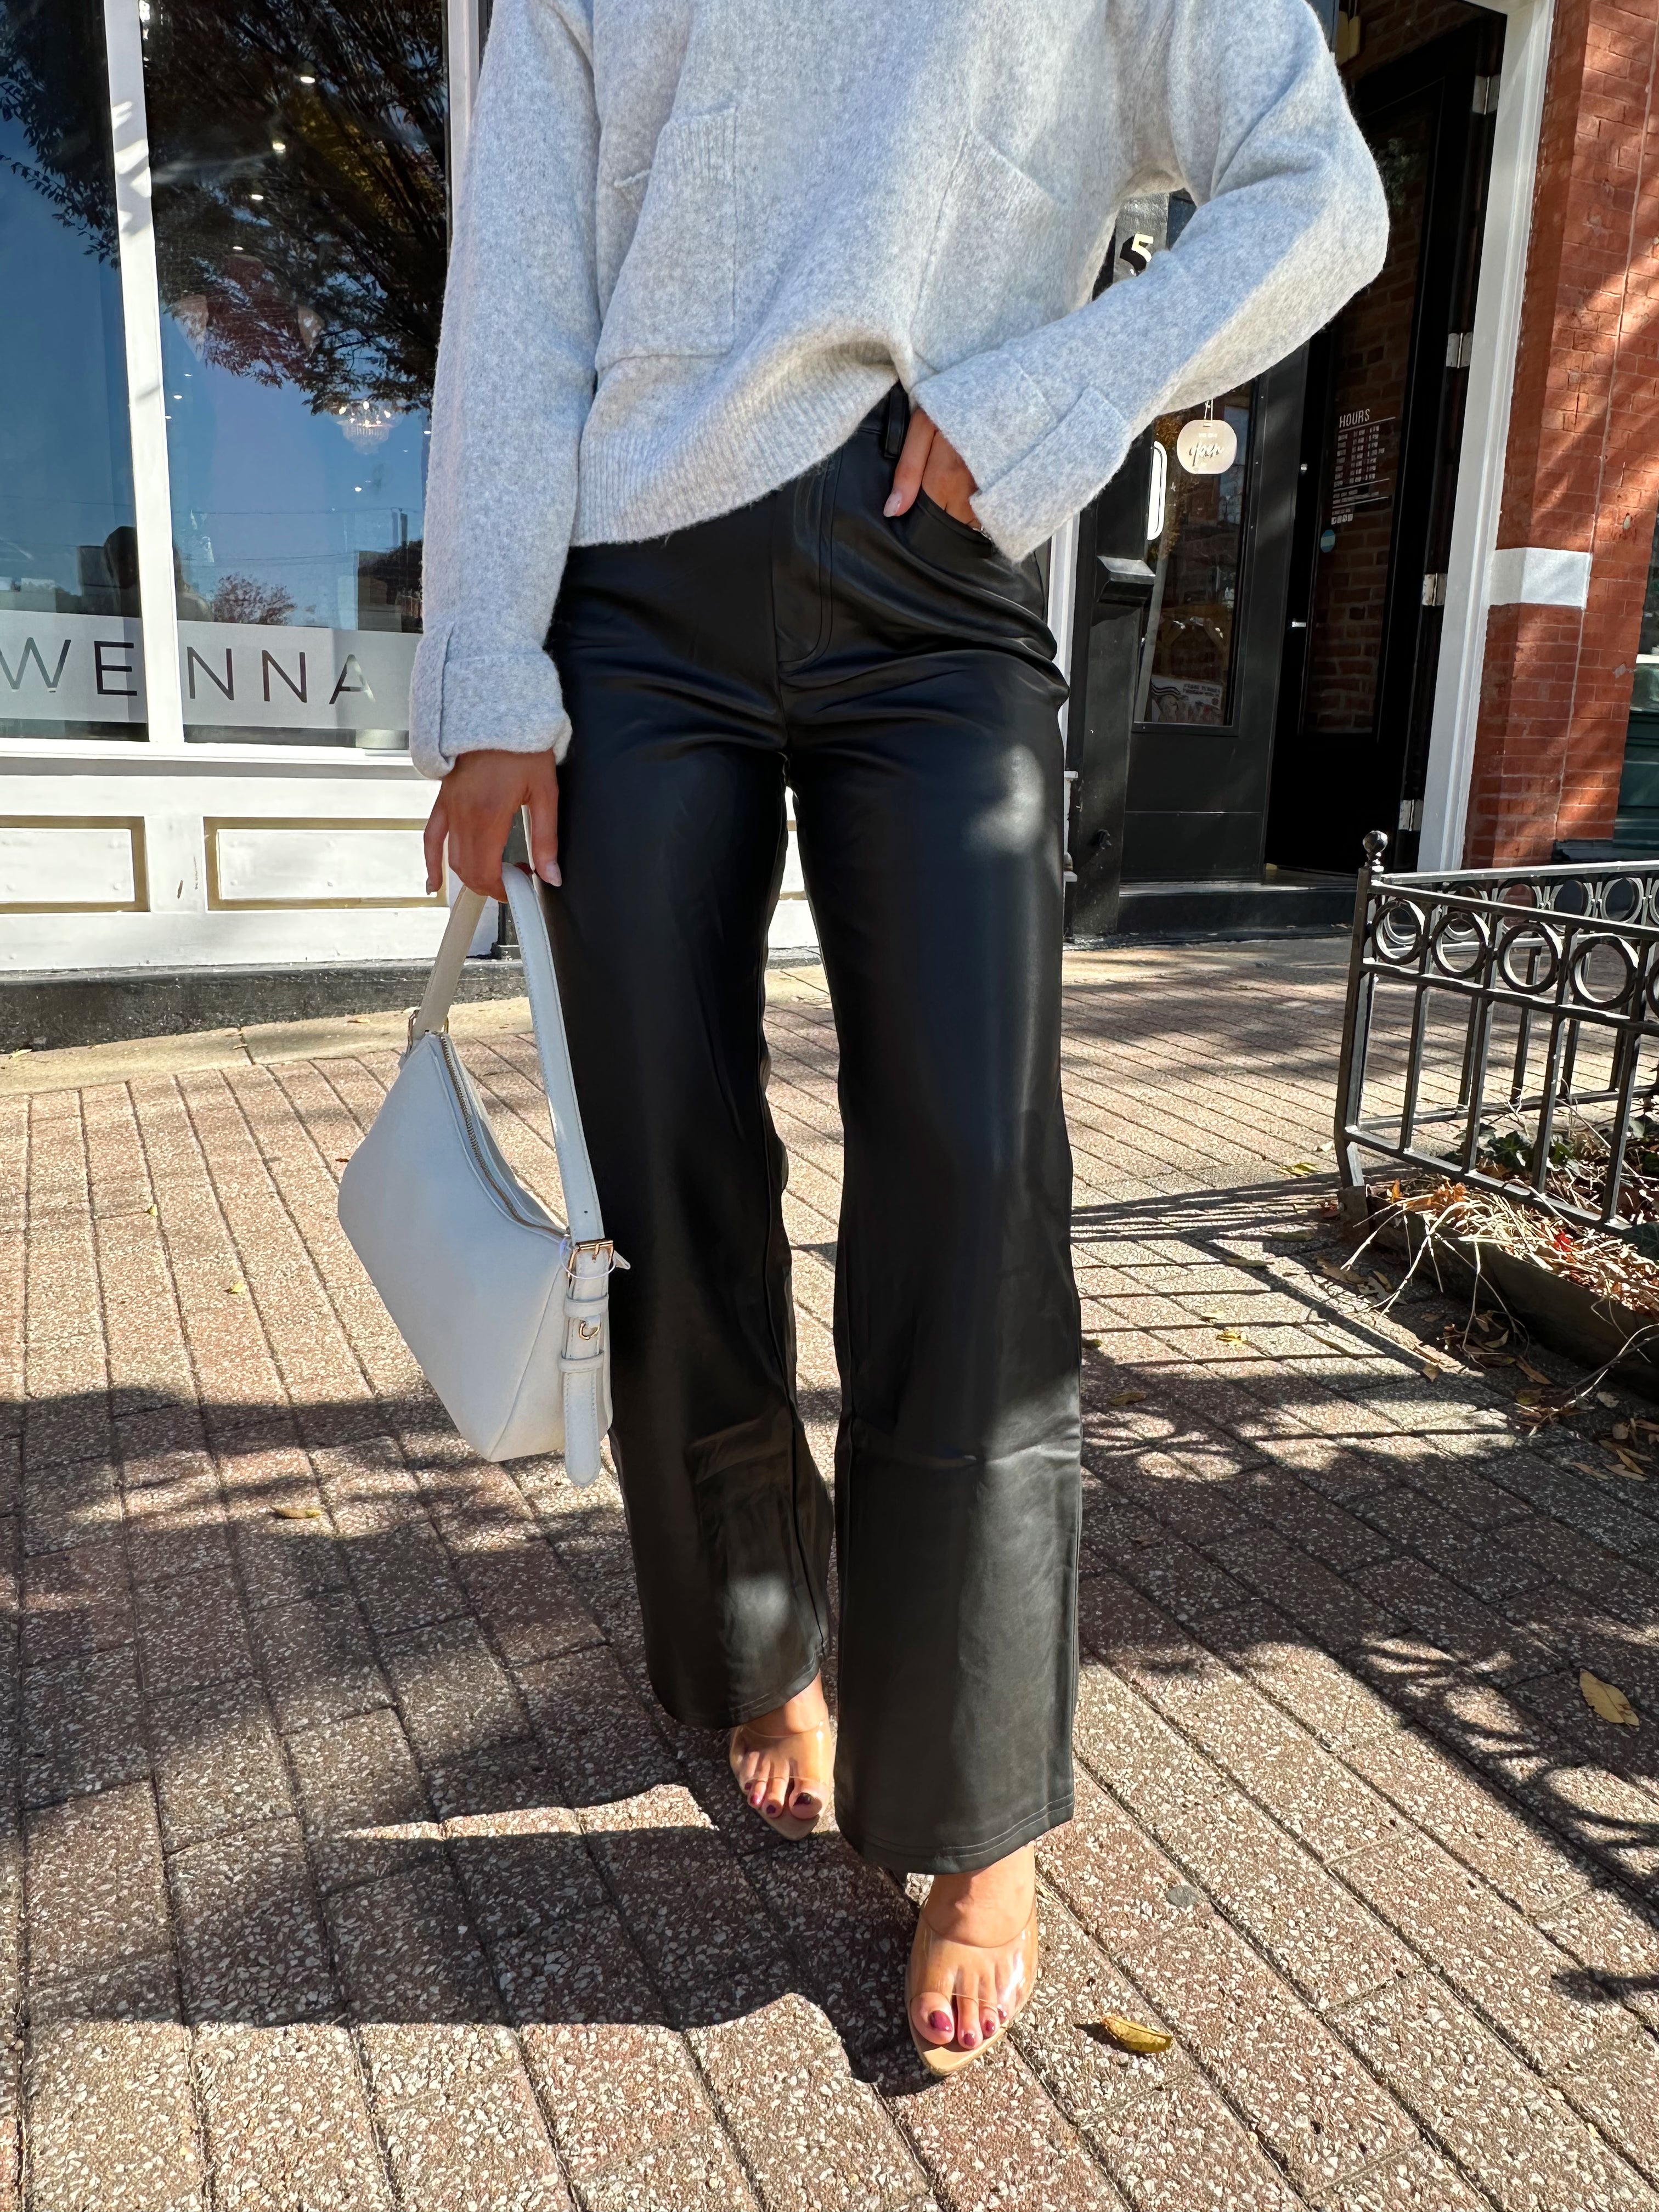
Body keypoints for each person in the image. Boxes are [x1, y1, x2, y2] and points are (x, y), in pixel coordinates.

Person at [416, 0, 1385, 2074]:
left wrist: (1054, 390)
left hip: (946, 583)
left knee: (972, 1184)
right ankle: (769, 1645)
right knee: (676, 1180)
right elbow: (518, 278)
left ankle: (973, 1811)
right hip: (626, 598)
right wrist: (492, 655)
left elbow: (1327, 194)